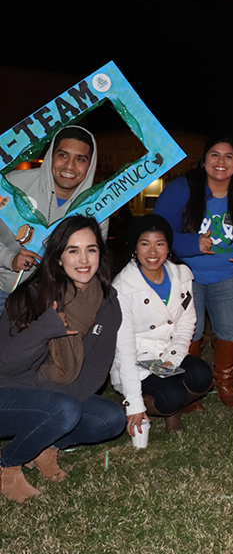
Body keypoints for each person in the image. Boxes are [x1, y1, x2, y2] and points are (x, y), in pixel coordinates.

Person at [0, 216, 125, 503]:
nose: (84, 259)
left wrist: (50, 401)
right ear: (58, 258)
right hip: (6, 394)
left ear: (100, 254)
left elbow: (94, 374)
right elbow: (5, 364)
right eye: (73, 250)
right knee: (64, 410)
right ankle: (7, 464)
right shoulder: (32, 295)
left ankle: (44, 447)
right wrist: (46, 329)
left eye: (91, 249)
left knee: (110, 419)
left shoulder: (107, 304)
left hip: (50, 395)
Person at [154, 138, 233, 407]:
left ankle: (225, 385)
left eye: (229, 156)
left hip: (228, 274)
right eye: (215, 155)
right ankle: (191, 387)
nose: (221, 162)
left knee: (229, 331)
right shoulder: (181, 189)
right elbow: (159, 231)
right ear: (204, 160)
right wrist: (192, 243)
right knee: (188, 333)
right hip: (186, 275)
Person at [111, 215, 214, 433]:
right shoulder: (123, 286)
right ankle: (127, 406)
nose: (152, 252)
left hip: (166, 352)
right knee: (171, 396)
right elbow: (124, 348)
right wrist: (134, 403)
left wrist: (173, 357)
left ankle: (171, 404)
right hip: (139, 358)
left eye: (160, 244)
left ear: (168, 247)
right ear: (135, 248)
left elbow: (187, 321)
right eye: (145, 244)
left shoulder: (181, 274)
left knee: (202, 376)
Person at [0, 125, 108, 315]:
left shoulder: (97, 208)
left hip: (57, 303)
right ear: (51, 156)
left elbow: (91, 265)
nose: (69, 166)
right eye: (63, 155)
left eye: (80, 159)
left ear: (90, 165)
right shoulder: (13, 186)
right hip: (5, 292)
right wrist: (10, 259)